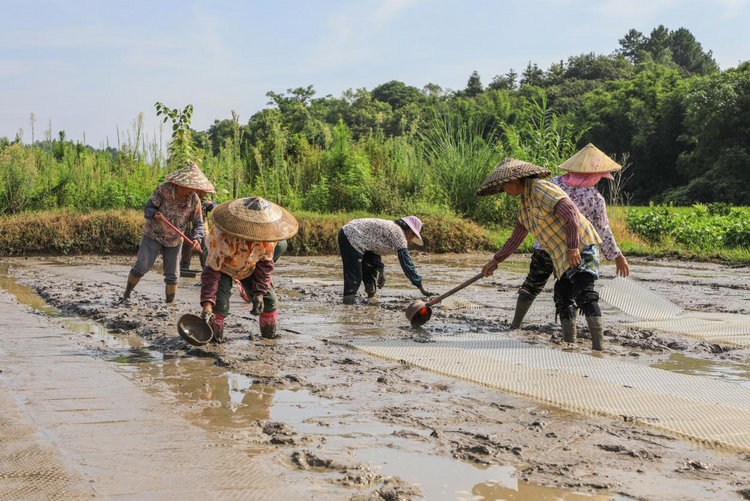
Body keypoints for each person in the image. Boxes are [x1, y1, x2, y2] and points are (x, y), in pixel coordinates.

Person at [476, 158, 606, 350]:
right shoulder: (525, 205)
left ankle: (599, 348)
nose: (504, 190)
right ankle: (570, 343)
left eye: (505, 186)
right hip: (560, 256)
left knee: (585, 294)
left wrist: (572, 247)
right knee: (562, 297)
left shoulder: (540, 189)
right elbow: (515, 239)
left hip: (580, 246)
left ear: (515, 181)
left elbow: (570, 212)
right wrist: (495, 260)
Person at [510, 144, 630, 330]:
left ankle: (515, 325)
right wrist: (617, 256)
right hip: (575, 250)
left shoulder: (553, 184)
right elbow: (602, 230)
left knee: (534, 286)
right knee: (575, 290)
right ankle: (584, 338)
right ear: (596, 174)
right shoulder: (595, 197)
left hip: (546, 246)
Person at [199, 196, 298, 341]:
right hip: (223, 268)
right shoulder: (222, 239)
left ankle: (268, 338)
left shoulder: (268, 238)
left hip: (250, 267)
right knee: (219, 306)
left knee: (268, 301)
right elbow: (211, 273)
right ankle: (214, 340)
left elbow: (265, 265)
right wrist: (207, 305)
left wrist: (259, 292)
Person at [122, 163, 215, 303]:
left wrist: (196, 238)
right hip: (153, 233)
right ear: (179, 183)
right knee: (142, 265)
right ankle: (126, 295)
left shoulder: (194, 199)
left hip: (174, 239)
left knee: (173, 275)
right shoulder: (163, 189)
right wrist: (155, 214)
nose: (191, 191)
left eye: (194, 188)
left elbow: (198, 223)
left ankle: (170, 305)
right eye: (189, 187)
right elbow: (148, 208)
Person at [338, 217, 432, 304]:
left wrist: (380, 267)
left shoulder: (392, 229)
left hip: (355, 236)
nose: (411, 240)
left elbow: (374, 248)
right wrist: (420, 287)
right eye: (413, 236)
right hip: (350, 236)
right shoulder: (399, 236)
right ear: (409, 231)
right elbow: (407, 264)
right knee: (355, 277)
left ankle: (371, 297)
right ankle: (347, 304)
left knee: (369, 267)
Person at [180, 195, 217, 273]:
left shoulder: (205, 203)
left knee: (204, 250)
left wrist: (210, 204)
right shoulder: (188, 200)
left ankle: (206, 268)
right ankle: (184, 268)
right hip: (188, 229)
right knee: (187, 249)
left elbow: (215, 209)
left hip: (202, 231)